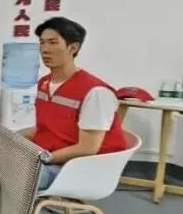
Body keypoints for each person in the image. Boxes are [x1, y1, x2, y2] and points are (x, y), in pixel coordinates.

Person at [24, 17, 126, 189]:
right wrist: (11, 138)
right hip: (51, 158)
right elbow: (46, 128)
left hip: (76, 168)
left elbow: (88, 148)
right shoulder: (44, 83)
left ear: (73, 48)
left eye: (53, 43)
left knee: (11, 176)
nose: (45, 49)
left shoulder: (96, 92)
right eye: (42, 43)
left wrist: (43, 157)